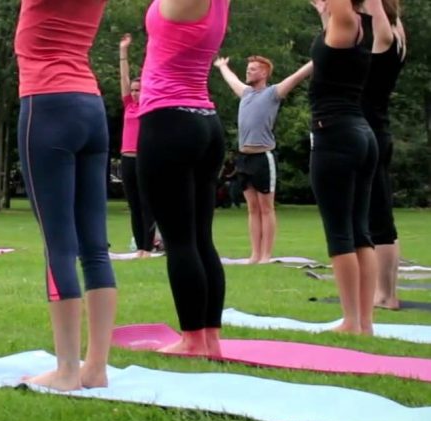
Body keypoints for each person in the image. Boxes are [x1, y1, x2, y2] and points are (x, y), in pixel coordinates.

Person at [15, 0, 117, 391]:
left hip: (48, 105)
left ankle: (67, 371)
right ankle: (96, 368)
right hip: (89, 106)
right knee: (94, 247)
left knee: (59, 244)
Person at [137, 0, 230, 356]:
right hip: (205, 121)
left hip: (168, 121)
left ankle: (192, 340)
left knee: (180, 241)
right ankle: (210, 338)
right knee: (201, 239)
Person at [308, 0, 390, 334]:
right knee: (360, 232)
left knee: (340, 232)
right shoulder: (359, 26)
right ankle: (364, 323)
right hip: (361, 135)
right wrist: (322, 11)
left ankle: (351, 321)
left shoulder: (345, 23)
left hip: (336, 136)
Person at [213, 55, 313, 263]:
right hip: (244, 158)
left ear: (264, 73)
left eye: (253, 69)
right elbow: (231, 80)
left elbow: (297, 77)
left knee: (266, 208)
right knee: (252, 208)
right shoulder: (246, 93)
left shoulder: (272, 93)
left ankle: (266, 255)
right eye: (248, 68)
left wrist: (321, 56)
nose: (248, 72)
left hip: (263, 157)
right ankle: (255, 254)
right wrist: (223, 66)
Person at [362, 0, 407, 310]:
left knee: (379, 220)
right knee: (380, 217)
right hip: (377, 131)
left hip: (372, 134)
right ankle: (385, 291)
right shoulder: (396, 33)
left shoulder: (385, 39)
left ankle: (386, 295)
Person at [119, 33, 155, 258]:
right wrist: (123, 51)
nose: (134, 93)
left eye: (138, 89)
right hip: (127, 158)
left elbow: (151, 75)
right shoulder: (129, 106)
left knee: (146, 204)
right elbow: (123, 78)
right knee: (133, 205)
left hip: (145, 159)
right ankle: (140, 247)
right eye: (133, 90)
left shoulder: (150, 107)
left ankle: (148, 247)